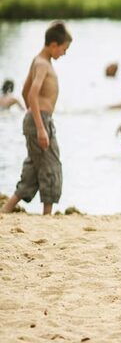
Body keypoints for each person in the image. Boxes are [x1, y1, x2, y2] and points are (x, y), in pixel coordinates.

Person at [1, 21, 72, 215]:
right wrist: (39, 126)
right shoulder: (42, 64)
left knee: (34, 165)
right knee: (51, 164)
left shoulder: (38, 61)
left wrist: (30, 114)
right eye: (64, 49)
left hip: (37, 118)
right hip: (40, 120)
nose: (64, 54)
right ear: (54, 44)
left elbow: (24, 91)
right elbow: (32, 94)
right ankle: (46, 215)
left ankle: (6, 209)